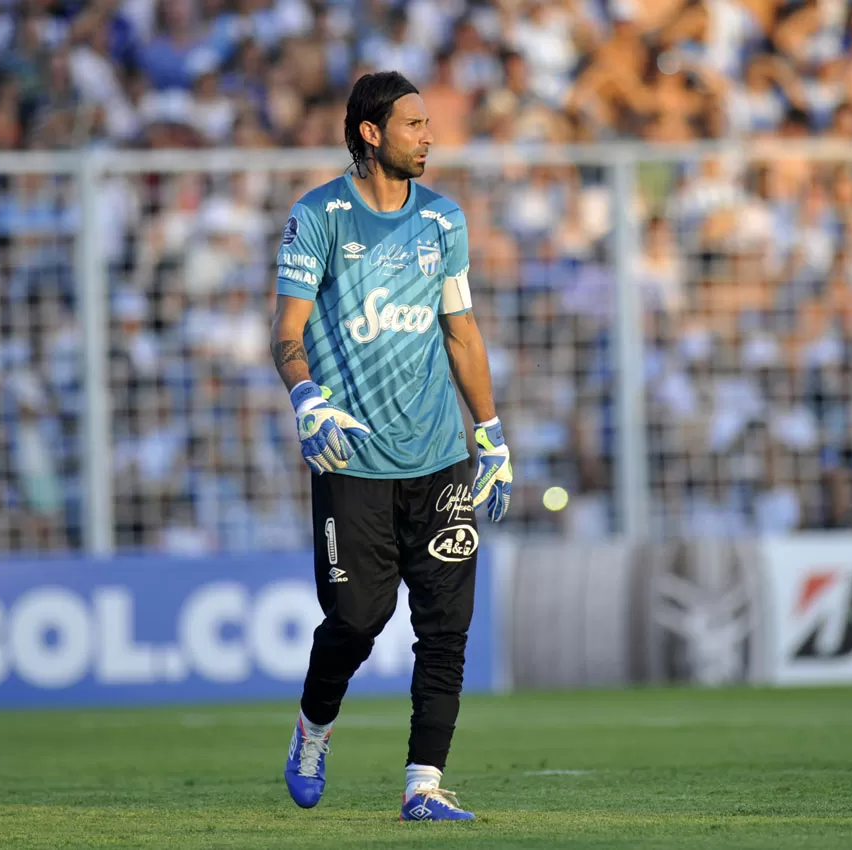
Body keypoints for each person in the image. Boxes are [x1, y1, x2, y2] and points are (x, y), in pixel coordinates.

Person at [269, 70, 513, 822]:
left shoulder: (443, 220)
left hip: (441, 456)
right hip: (353, 459)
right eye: (414, 125)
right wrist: (306, 397)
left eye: (429, 124)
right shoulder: (320, 216)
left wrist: (492, 434)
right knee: (357, 619)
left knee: (446, 626)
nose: (429, 137)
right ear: (370, 133)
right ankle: (314, 726)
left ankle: (423, 785)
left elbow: (460, 331)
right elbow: (287, 332)